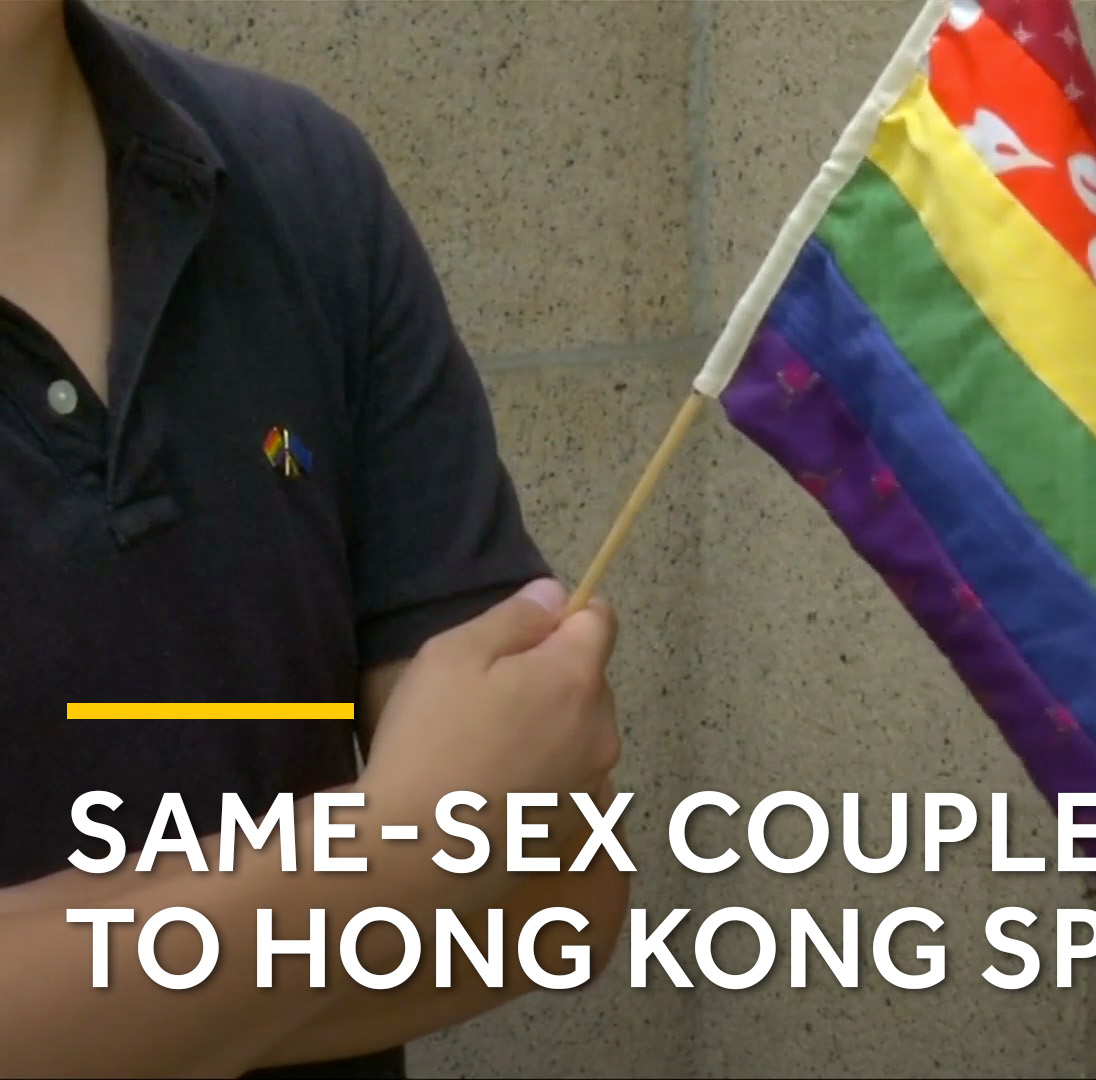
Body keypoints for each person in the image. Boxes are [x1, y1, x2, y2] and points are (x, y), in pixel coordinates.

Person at [0, 1, 631, 1075]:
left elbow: (554, 894)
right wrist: (389, 856)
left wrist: (83, 994)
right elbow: (458, 854)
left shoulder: (300, 183)